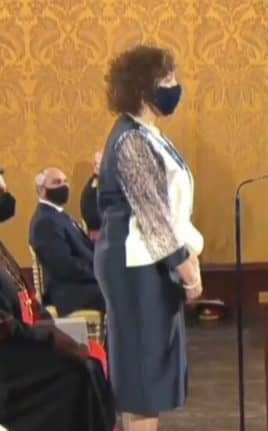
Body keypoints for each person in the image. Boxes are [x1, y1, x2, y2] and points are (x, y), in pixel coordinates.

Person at [96, 44, 204, 431]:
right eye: (167, 80)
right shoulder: (131, 140)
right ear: (143, 88)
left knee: (146, 375)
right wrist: (188, 272)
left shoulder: (145, 133)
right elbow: (155, 217)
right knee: (143, 379)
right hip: (137, 268)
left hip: (146, 264)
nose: (175, 87)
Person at [1, 197, 115, 430]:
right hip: (8, 363)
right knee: (78, 371)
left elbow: (26, 294)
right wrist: (51, 338)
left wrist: (49, 325)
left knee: (89, 363)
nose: (7, 198)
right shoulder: (44, 222)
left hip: (21, 343)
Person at [29, 167, 106, 315]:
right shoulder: (45, 222)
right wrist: (98, 273)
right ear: (41, 190)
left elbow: (86, 248)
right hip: (69, 292)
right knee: (119, 291)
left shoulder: (59, 215)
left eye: (65, 181)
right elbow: (64, 266)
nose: (64, 186)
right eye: (57, 182)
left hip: (81, 283)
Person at [81, 150, 103, 240]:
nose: (97, 166)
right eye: (95, 163)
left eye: (100, 163)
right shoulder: (93, 182)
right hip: (95, 235)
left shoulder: (111, 183)